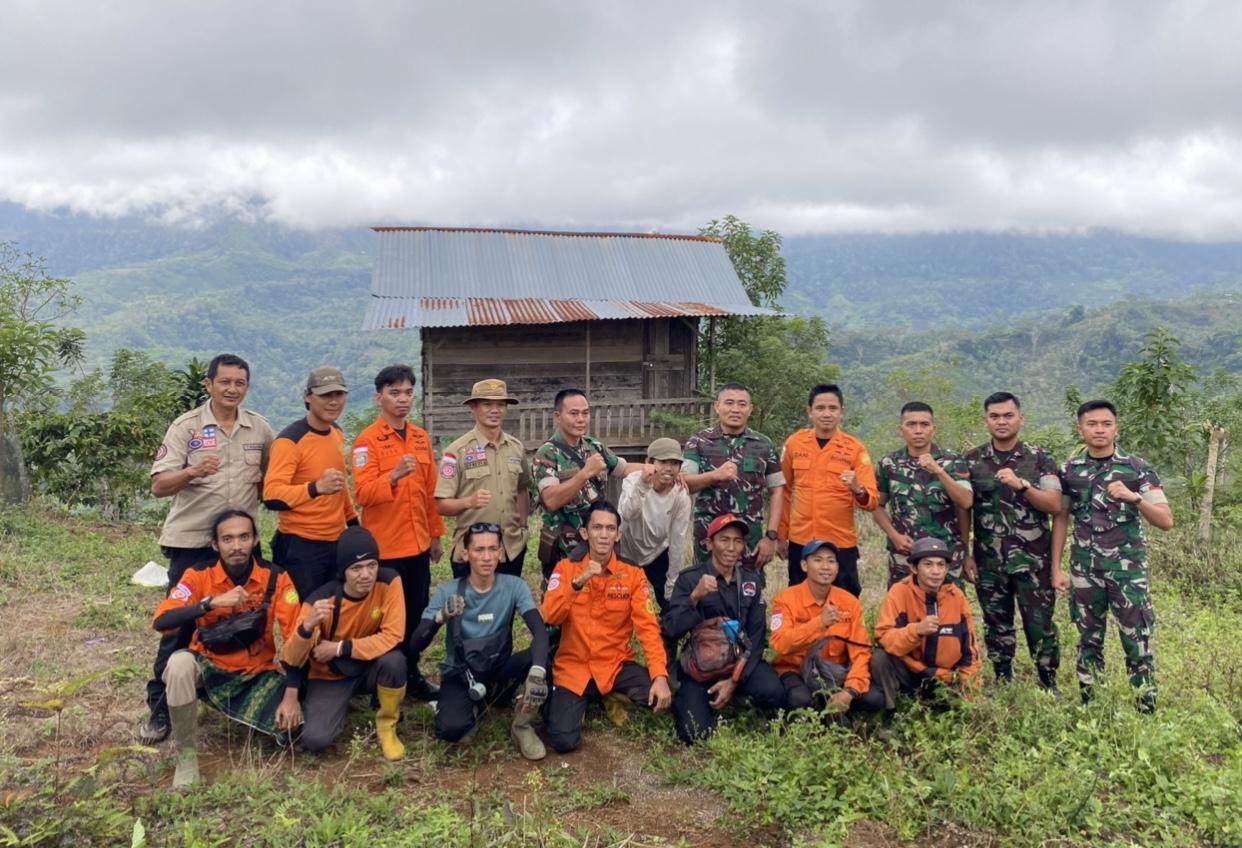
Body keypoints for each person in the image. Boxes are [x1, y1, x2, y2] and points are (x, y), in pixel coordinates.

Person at [142, 353, 275, 744]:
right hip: (191, 543)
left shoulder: (260, 429)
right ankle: (161, 709)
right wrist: (191, 472)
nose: (232, 389)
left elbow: (271, 483)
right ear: (209, 385)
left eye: (240, 383)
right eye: (225, 382)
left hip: (239, 546)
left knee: (246, 620)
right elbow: (158, 485)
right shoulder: (187, 428)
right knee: (180, 627)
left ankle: (231, 693)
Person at [152, 509, 302, 788]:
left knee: (295, 731)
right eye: (228, 539)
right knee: (179, 664)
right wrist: (208, 604)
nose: (236, 546)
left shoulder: (276, 578)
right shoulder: (198, 575)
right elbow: (161, 621)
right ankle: (186, 759)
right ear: (215, 544)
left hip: (257, 672)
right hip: (209, 666)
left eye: (244, 537)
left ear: (255, 539)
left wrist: (291, 693)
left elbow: (297, 638)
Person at [1052, 399, 1173, 711]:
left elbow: (1165, 520)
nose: (1099, 430)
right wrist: (1056, 567)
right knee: (1088, 640)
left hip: (1127, 572)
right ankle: (1091, 707)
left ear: (1116, 427)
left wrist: (1135, 499)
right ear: (1080, 429)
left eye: (1106, 424)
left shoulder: (1137, 469)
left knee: (1137, 641)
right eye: (1092, 424)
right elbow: (1061, 518)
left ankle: (1145, 708)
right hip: (1085, 571)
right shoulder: (1070, 471)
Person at [408, 522, 550, 760]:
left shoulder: (514, 586)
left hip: (499, 670)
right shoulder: (448, 591)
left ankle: (522, 725)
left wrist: (537, 672)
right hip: (462, 674)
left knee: (546, 653)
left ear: (501, 553)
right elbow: (415, 644)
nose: (486, 557)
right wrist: (440, 618)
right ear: (466, 554)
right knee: (451, 730)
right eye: (479, 550)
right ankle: (469, 704)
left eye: (492, 549)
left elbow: (540, 631)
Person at [540, 501, 672, 753]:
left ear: (618, 535)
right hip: (574, 667)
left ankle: (606, 693)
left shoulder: (632, 574)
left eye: (610, 529)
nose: (603, 534)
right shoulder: (566, 569)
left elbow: (647, 628)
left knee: (659, 697)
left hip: (614, 665)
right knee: (563, 741)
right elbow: (550, 615)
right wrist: (579, 582)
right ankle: (581, 699)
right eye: (597, 527)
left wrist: (660, 676)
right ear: (584, 533)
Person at [350, 364, 445, 700]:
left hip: (418, 545)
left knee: (417, 614)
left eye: (408, 392)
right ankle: (384, 682)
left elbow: (430, 491)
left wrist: (435, 535)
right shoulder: (367, 442)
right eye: (395, 393)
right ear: (379, 398)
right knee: (388, 619)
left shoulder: (419, 437)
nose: (403, 399)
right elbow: (362, 494)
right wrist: (392, 477)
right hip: (386, 549)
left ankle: (412, 674)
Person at [962, 392, 1062, 689]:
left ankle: (1048, 681)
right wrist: (967, 554)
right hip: (988, 560)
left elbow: (1054, 504)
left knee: (1040, 624)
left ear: (1021, 418)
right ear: (985, 421)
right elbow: (964, 508)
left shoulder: (1041, 459)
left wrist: (1023, 486)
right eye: (995, 416)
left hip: (1033, 561)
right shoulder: (971, 461)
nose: (1001, 422)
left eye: (1008, 415)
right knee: (996, 623)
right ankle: (1003, 676)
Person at [282, 526, 408, 760]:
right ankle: (335, 707)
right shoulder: (321, 601)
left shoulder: (390, 582)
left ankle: (387, 726)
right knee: (315, 739)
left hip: (367, 667)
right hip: (330, 676)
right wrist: (306, 627)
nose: (366, 575)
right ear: (343, 571)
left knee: (395, 661)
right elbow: (290, 657)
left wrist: (339, 647)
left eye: (372, 565)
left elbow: (393, 635)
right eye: (356, 568)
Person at [663, 514, 785, 743]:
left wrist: (734, 681)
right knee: (693, 734)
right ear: (709, 543)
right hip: (701, 666)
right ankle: (700, 699)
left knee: (775, 693)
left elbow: (757, 638)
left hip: (740, 663)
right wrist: (695, 597)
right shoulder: (690, 579)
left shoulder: (751, 582)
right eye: (724, 540)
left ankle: (736, 694)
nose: (731, 547)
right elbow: (671, 628)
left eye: (738, 541)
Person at [264, 366, 358, 598]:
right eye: (325, 395)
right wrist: (316, 488)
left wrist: (354, 525)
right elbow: (272, 495)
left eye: (339, 394)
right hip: (301, 546)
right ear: (308, 396)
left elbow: (340, 485)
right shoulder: (289, 441)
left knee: (334, 613)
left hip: (335, 542)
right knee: (304, 618)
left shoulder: (336, 432)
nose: (333, 402)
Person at [872, 537, 982, 737]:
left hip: (943, 678)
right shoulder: (899, 592)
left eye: (941, 565)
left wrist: (970, 698)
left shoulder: (956, 597)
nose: (935, 571)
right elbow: (884, 637)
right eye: (928, 564)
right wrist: (916, 631)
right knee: (880, 658)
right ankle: (890, 713)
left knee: (955, 712)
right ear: (914, 568)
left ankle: (940, 706)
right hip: (909, 673)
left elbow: (970, 652)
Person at [777, 384, 878, 597]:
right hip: (801, 540)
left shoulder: (855, 448)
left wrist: (857, 488)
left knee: (844, 601)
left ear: (842, 412)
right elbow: (783, 491)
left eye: (833, 408)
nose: (826, 414)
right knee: (800, 598)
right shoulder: (795, 443)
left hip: (840, 542)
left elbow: (872, 501)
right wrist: (780, 535)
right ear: (810, 411)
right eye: (820, 408)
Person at [769, 540, 884, 715]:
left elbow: (861, 652)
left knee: (875, 699)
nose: (826, 567)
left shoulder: (849, 602)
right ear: (804, 565)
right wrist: (819, 624)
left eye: (831, 561)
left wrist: (850, 691)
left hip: (835, 672)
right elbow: (780, 645)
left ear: (837, 567)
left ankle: (835, 707)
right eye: (818, 560)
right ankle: (815, 714)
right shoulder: (785, 600)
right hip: (796, 670)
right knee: (799, 700)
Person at [682, 383, 786, 574]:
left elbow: (777, 489)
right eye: (729, 403)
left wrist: (771, 537)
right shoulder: (698, 442)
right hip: (709, 535)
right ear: (717, 406)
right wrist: (715, 475)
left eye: (742, 404)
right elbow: (684, 483)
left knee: (749, 592)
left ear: (750, 409)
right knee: (707, 590)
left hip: (749, 536)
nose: (735, 409)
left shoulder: (763, 444)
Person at [532, 389, 632, 580]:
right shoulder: (547, 454)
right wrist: (585, 473)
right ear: (558, 416)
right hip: (565, 549)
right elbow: (551, 499)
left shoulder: (593, 446)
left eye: (585, 413)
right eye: (574, 413)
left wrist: (658, 469)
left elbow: (623, 468)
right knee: (563, 602)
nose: (581, 419)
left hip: (598, 544)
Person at [436, 379, 531, 578]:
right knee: (473, 609)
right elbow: (441, 505)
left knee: (507, 607)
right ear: (473, 407)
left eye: (500, 405)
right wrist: (469, 502)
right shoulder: (456, 452)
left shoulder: (516, 448)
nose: (494, 410)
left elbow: (522, 488)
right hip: (473, 552)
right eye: (487, 404)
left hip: (511, 549)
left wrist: (523, 527)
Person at [871, 402, 973, 586]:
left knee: (948, 609)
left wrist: (939, 472)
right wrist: (894, 536)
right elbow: (875, 505)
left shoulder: (952, 460)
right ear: (900, 429)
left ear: (933, 429)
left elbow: (965, 502)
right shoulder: (888, 464)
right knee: (903, 609)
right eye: (911, 424)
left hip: (945, 554)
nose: (918, 430)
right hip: (905, 553)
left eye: (924, 425)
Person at [617, 437, 692, 610]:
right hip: (627, 551)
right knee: (621, 602)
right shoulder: (633, 480)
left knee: (670, 603)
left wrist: (673, 584)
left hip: (658, 551)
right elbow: (627, 514)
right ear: (649, 462)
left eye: (674, 463)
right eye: (663, 461)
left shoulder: (680, 496)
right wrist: (643, 484)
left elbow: (677, 543)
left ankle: (669, 634)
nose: (668, 468)